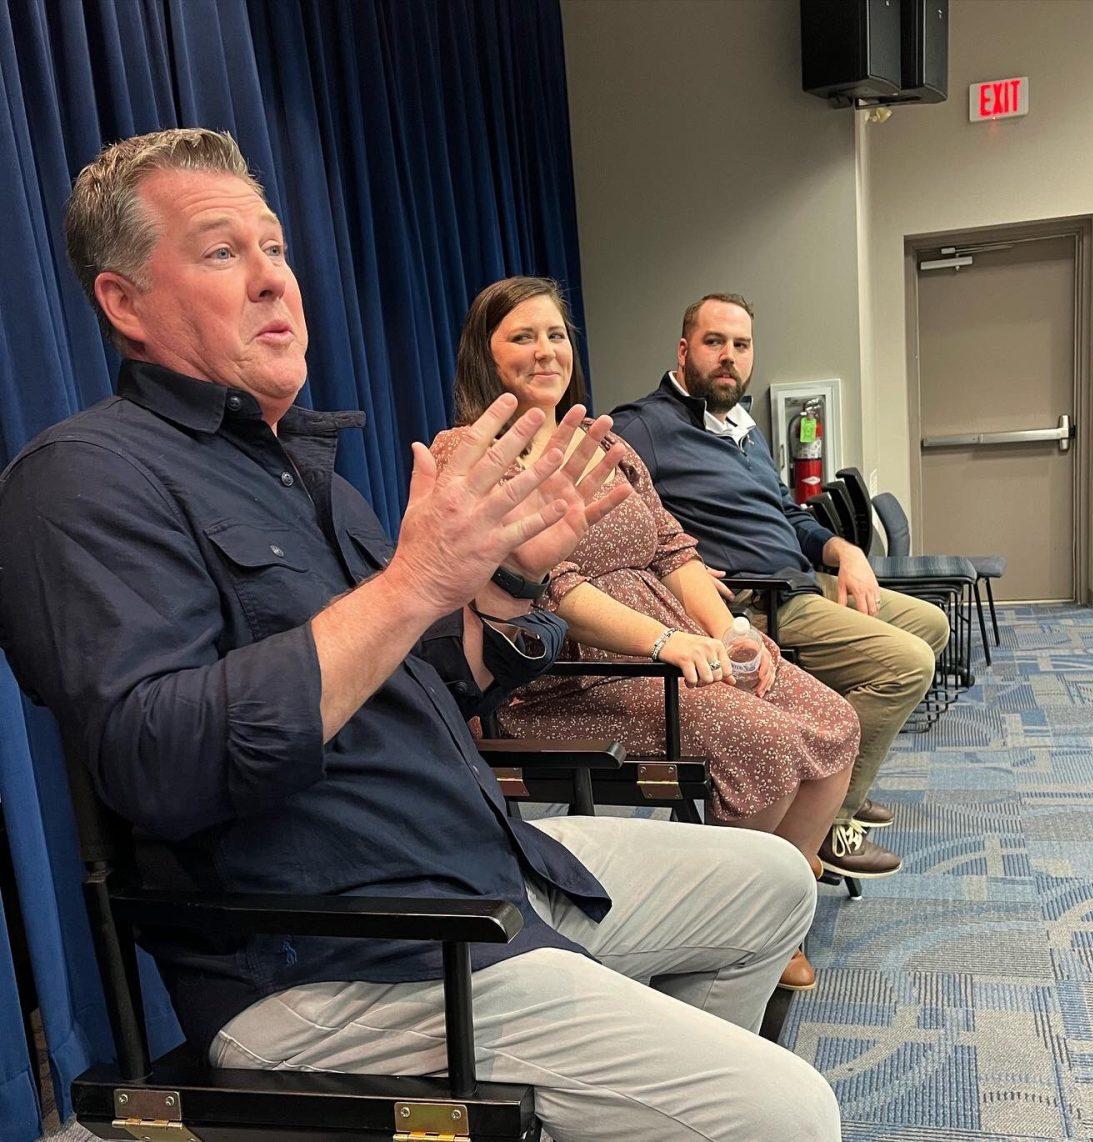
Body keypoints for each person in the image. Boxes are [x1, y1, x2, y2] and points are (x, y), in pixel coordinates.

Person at [0, 130, 841, 1141]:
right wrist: (413, 582)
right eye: (224, 252)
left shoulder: (302, 471)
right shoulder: (82, 481)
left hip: (482, 864)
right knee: (788, 1111)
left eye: (275, 247)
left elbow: (435, 683)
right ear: (123, 302)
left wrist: (508, 585)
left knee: (772, 883)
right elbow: (159, 759)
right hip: (346, 954)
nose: (274, 279)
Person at [431, 276, 860, 992]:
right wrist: (668, 645)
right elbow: (554, 589)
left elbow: (672, 549)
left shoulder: (600, 443)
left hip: (674, 641)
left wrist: (729, 631)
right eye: (523, 336)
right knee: (771, 742)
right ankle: (733, 918)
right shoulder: (469, 453)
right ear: (485, 353)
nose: (546, 351)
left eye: (556, 334)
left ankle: (776, 909)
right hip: (567, 677)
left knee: (834, 719)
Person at [611, 293, 952, 879]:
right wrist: (675, 567)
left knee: (932, 623)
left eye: (741, 346)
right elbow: (615, 519)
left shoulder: (745, 428)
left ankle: (837, 768)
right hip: (754, 600)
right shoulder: (641, 426)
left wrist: (842, 549)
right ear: (684, 349)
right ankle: (832, 824)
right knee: (907, 663)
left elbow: (790, 516)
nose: (729, 358)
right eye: (715, 342)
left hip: (802, 581)